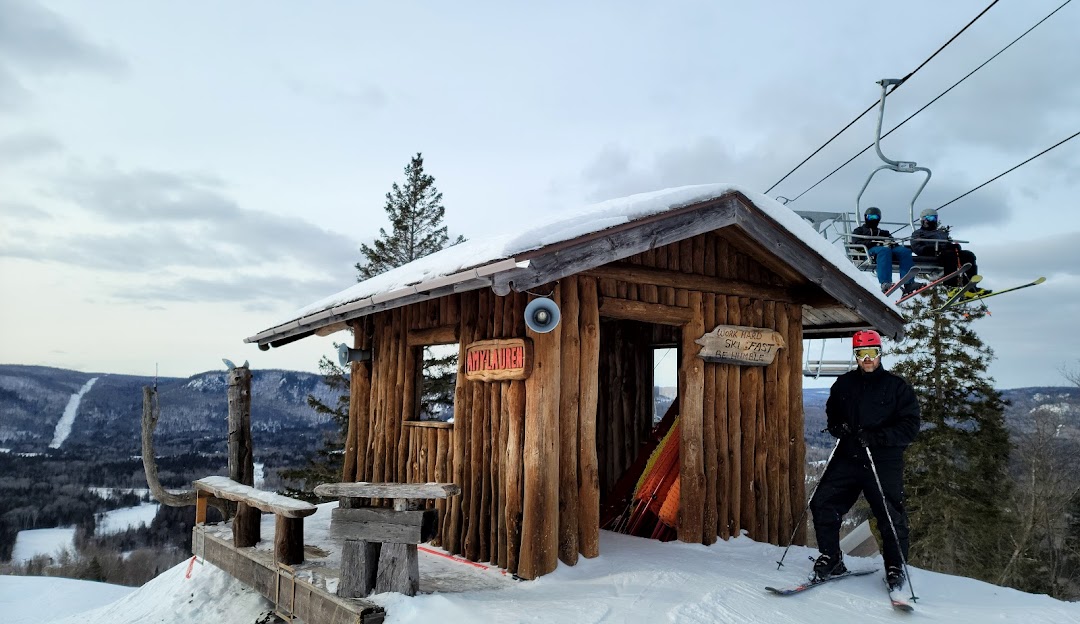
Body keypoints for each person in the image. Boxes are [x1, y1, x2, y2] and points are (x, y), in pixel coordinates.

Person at [810, 330, 920, 592]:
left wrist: (878, 437)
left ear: (880, 353)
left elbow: (910, 426)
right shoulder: (844, 384)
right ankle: (832, 558)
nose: (867, 359)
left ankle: (894, 566)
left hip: (883, 460)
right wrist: (839, 427)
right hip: (848, 456)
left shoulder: (897, 387)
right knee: (822, 502)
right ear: (856, 356)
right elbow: (832, 414)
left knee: (889, 514)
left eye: (872, 353)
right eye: (861, 354)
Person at [910, 208, 990, 297]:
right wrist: (934, 249)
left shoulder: (941, 233)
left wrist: (955, 246)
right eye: (929, 218)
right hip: (933, 254)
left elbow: (948, 243)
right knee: (949, 256)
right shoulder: (918, 233)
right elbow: (917, 247)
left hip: (946, 252)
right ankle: (951, 286)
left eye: (934, 218)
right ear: (923, 220)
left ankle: (970, 287)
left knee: (969, 255)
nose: (932, 221)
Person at [852, 207, 919, 294]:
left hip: (886, 249)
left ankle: (908, 283)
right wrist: (875, 243)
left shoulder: (884, 232)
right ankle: (885, 282)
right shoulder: (859, 230)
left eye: (875, 217)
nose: (873, 220)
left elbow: (893, 242)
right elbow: (856, 242)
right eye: (870, 217)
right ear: (865, 217)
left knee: (904, 251)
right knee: (884, 251)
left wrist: (891, 243)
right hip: (868, 251)